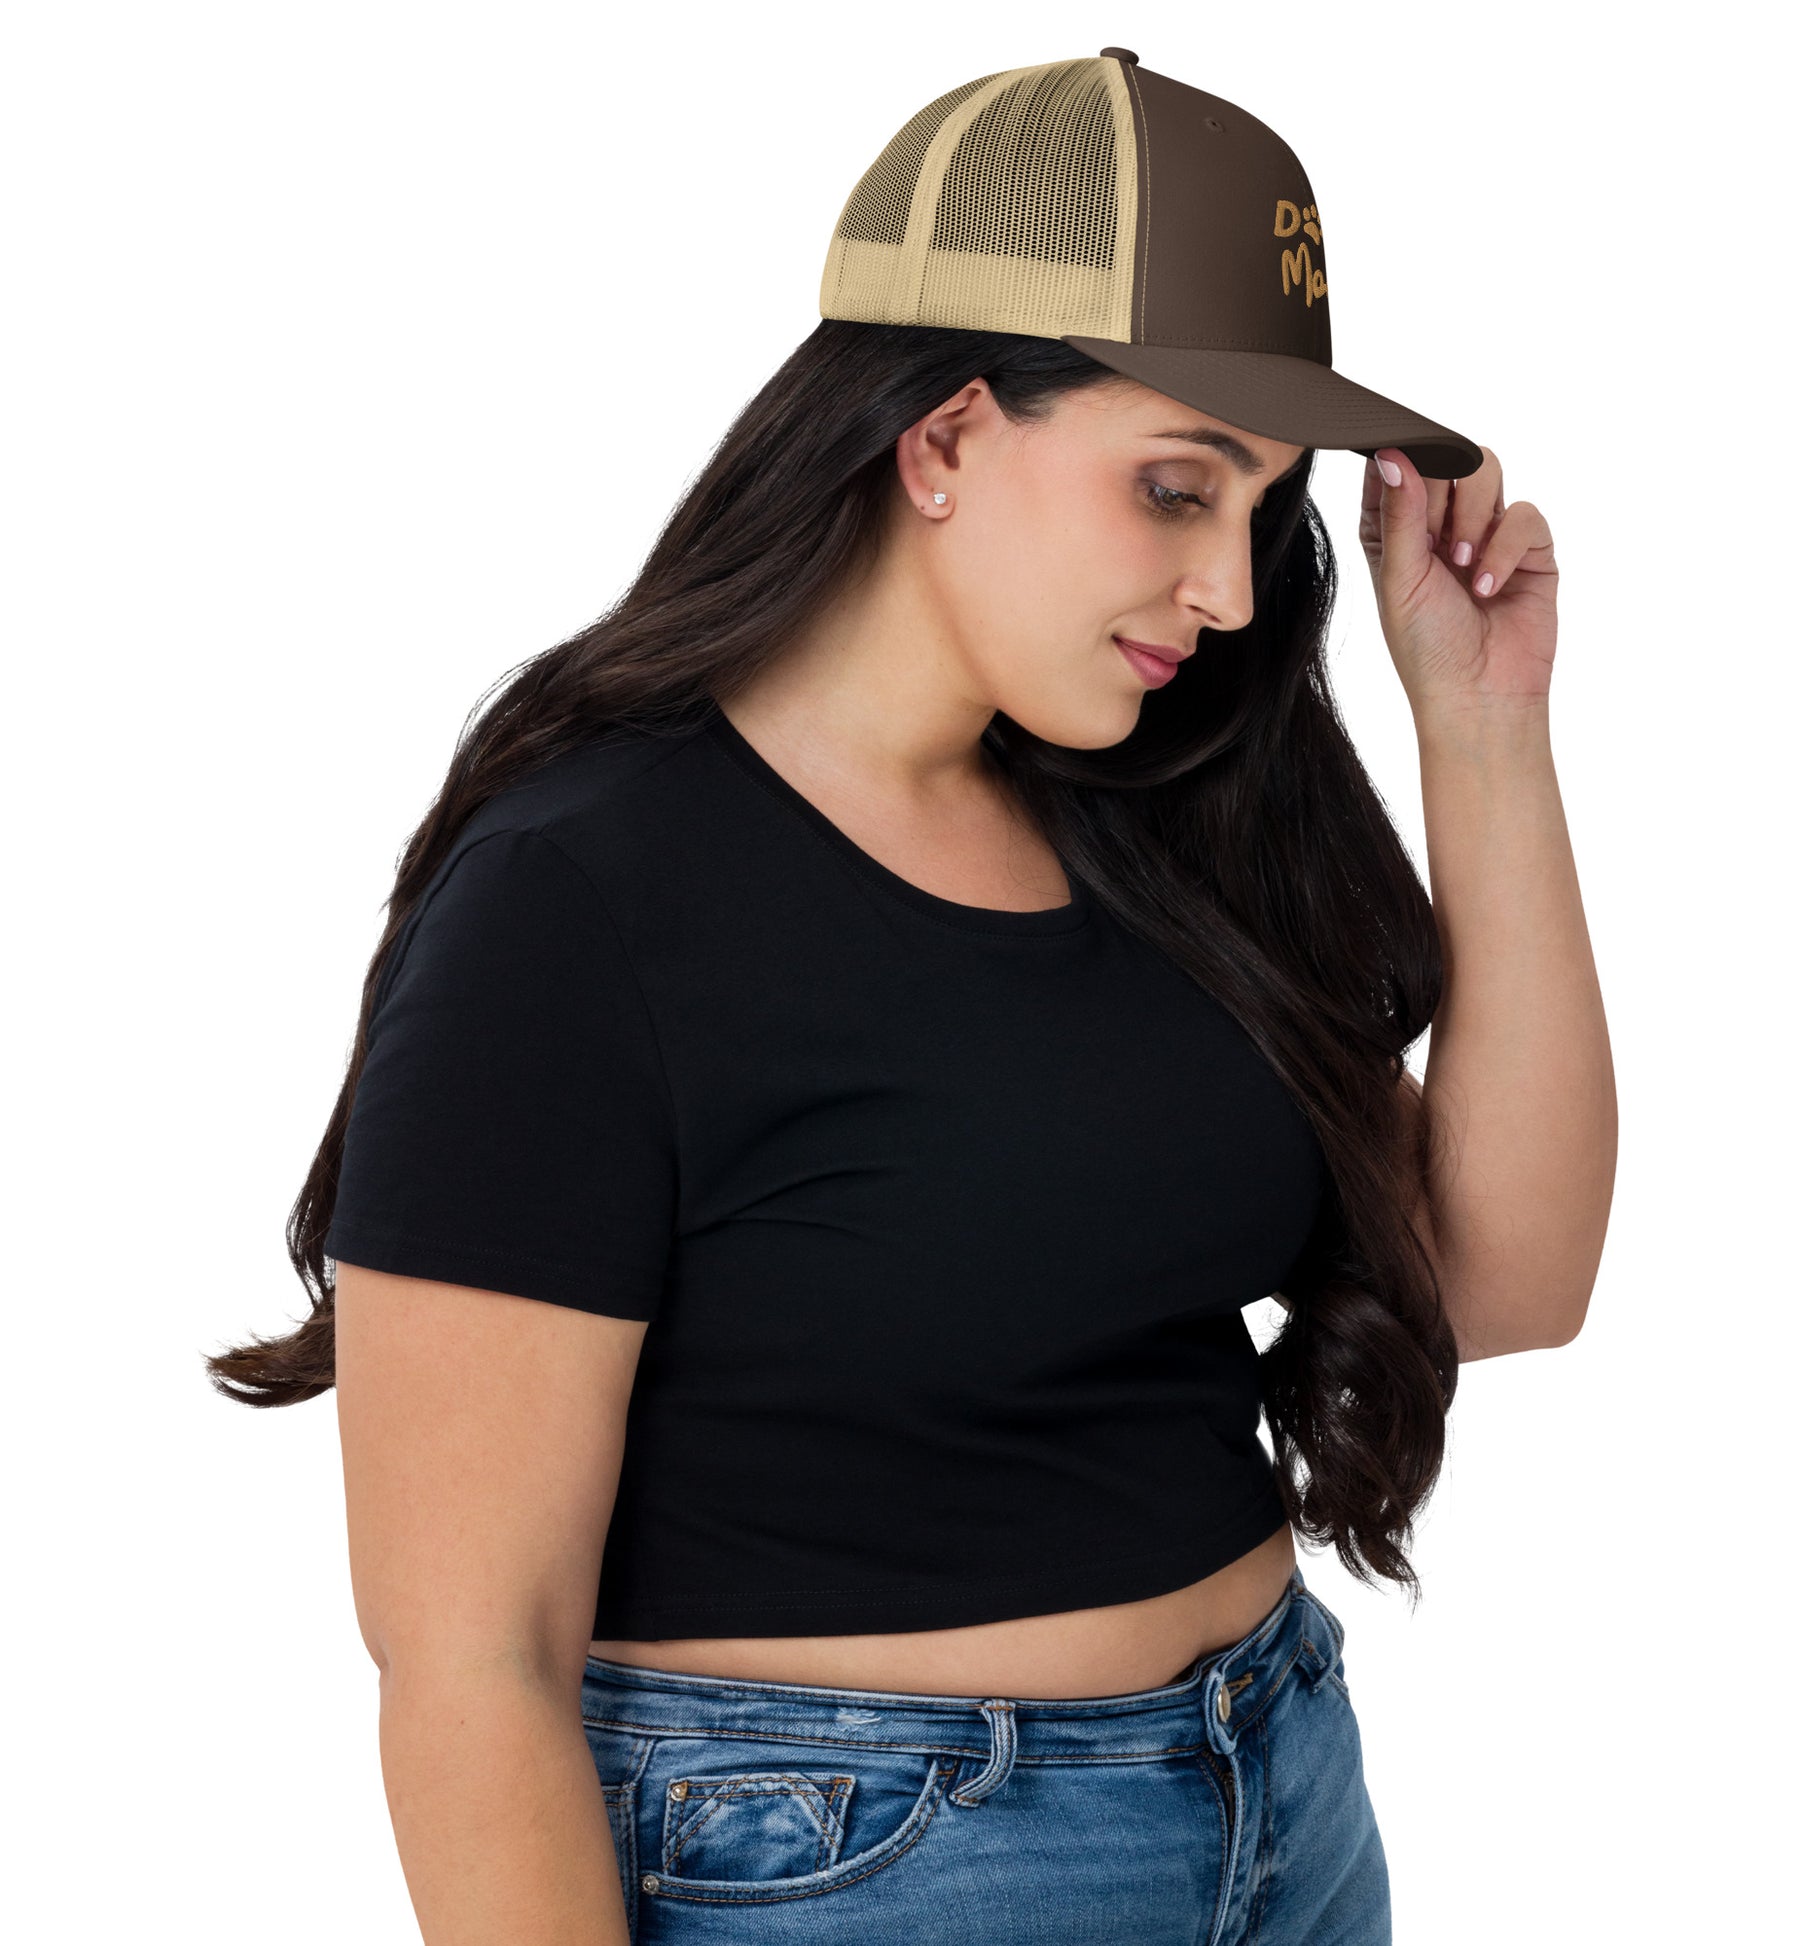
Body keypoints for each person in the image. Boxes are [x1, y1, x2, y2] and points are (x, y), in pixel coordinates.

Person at [207, 46, 1615, 1946]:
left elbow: (1507, 1279)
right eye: (1173, 487)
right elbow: (471, 1661)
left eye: (1259, 507)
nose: (1224, 586)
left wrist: (1484, 727)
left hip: (1280, 1792)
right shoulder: (581, 894)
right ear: (939, 438)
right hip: (869, 1869)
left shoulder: (1161, 812)